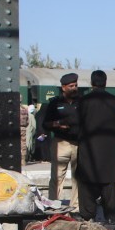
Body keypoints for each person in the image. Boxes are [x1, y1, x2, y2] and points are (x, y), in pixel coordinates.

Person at [76, 70, 115, 222]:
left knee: (86, 183)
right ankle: (111, 216)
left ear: (91, 83)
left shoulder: (84, 101)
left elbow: (77, 125)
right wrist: (111, 141)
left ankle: (87, 215)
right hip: (108, 151)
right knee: (109, 184)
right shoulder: (114, 101)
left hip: (87, 150)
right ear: (105, 82)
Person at [39, 73, 80, 204]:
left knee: (78, 178)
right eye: (71, 86)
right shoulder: (55, 103)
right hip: (61, 143)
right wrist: (57, 124)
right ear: (63, 87)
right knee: (56, 177)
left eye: (76, 85)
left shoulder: (82, 102)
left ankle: (75, 207)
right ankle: (54, 205)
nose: (74, 88)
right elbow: (45, 123)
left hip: (78, 144)